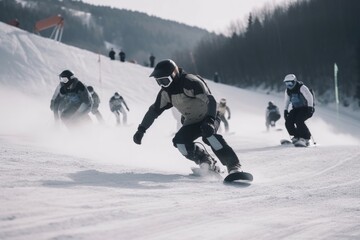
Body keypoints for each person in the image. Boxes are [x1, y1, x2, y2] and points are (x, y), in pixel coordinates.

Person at [133, 59, 243, 174]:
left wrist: (210, 121)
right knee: (180, 142)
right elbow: (153, 112)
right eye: (158, 82)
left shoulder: (190, 82)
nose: (162, 85)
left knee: (209, 136)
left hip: (209, 115)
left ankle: (233, 165)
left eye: (164, 81)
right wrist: (141, 129)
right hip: (192, 121)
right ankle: (205, 161)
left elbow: (211, 100)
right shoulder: (165, 94)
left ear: (174, 75)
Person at [283, 74, 315, 146]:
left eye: (290, 83)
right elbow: (287, 101)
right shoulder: (288, 90)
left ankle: (306, 138)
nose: (289, 85)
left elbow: (309, 97)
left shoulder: (302, 87)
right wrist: (285, 110)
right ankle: (297, 136)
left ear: (294, 81)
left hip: (306, 108)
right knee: (288, 121)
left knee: (299, 120)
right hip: (296, 109)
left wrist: (310, 107)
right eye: (287, 83)